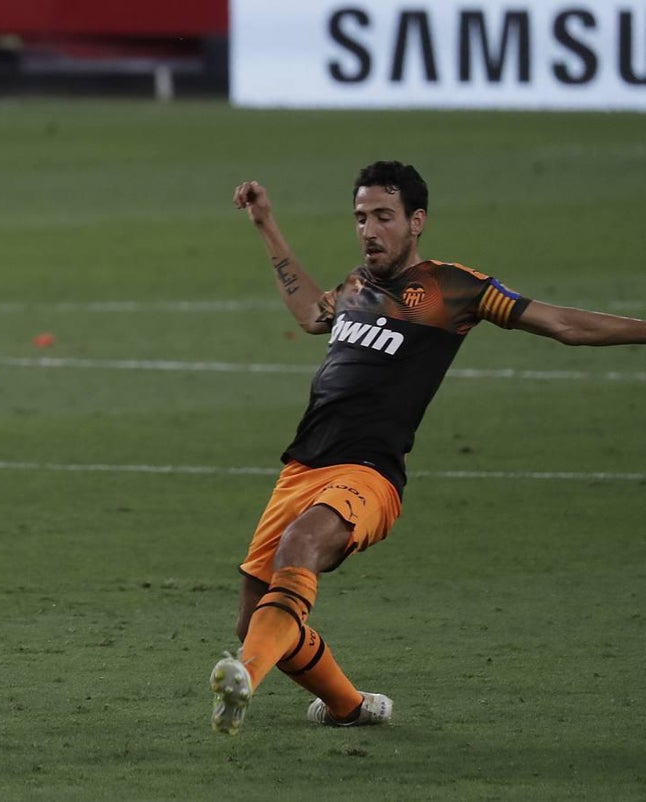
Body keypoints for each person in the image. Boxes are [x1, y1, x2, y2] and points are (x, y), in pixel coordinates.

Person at [210, 160, 646, 736]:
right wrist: (266, 223)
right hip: (302, 466)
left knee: (302, 544)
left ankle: (244, 678)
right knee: (255, 616)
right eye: (361, 217)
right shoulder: (357, 288)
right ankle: (348, 707)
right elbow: (310, 313)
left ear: (416, 222)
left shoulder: (452, 288)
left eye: (383, 217)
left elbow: (561, 323)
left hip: (368, 473)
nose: (369, 230)